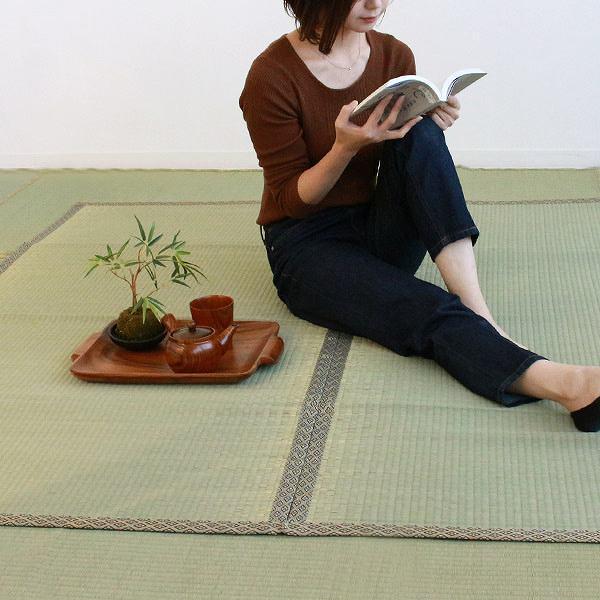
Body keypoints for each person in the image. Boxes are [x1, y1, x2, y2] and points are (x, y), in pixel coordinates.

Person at [238, 0, 600, 432]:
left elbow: (406, 159)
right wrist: (344, 148)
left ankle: (478, 313)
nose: (376, 4)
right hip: (306, 249)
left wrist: (431, 127)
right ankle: (567, 383)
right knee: (421, 307)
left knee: (422, 133)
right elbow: (292, 202)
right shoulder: (271, 76)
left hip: (375, 227)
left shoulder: (394, 56)